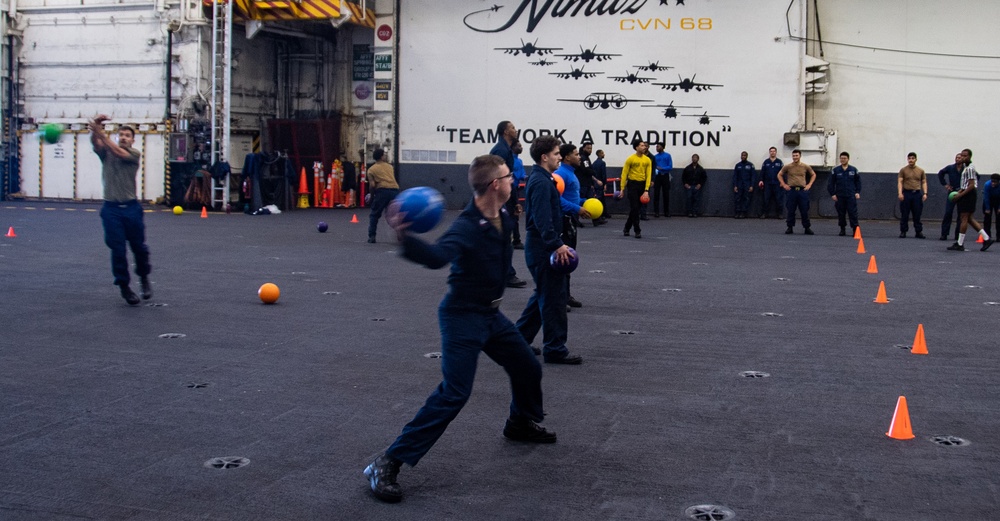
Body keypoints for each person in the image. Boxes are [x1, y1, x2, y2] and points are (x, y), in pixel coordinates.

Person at [363, 154, 554, 504]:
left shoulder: (506, 215)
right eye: (510, 177)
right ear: (495, 184)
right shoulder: (467, 226)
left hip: (491, 315)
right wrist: (405, 237)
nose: (515, 181)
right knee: (455, 392)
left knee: (527, 365)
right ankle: (388, 461)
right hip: (462, 316)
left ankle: (520, 423)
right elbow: (438, 258)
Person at [516, 135, 583, 365]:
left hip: (540, 247)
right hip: (543, 248)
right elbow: (544, 221)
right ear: (545, 157)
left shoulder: (542, 178)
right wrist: (557, 245)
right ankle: (555, 348)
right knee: (554, 299)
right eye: (556, 154)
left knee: (542, 295)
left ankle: (518, 341)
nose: (558, 157)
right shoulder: (542, 182)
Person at [89, 115, 151, 306]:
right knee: (117, 249)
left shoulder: (133, 154)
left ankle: (143, 277)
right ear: (117, 137)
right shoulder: (106, 154)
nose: (124, 137)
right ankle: (124, 286)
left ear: (132, 140)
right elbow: (97, 144)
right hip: (111, 209)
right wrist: (95, 128)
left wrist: (100, 132)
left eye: (127, 135)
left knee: (139, 248)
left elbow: (117, 152)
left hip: (131, 208)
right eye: (121, 135)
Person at [490, 120, 528, 288]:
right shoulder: (500, 150)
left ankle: (501, 272)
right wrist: (505, 202)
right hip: (499, 200)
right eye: (512, 127)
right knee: (505, 237)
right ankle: (507, 274)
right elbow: (497, 178)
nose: (516, 129)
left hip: (504, 199)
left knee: (504, 237)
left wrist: (515, 201)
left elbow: (509, 180)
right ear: (505, 131)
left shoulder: (506, 150)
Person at [554, 143, 592, 308]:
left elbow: (572, 198)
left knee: (568, 260)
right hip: (563, 220)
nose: (579, 157)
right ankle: (559, 298)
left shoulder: (571, 173)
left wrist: (585, 203)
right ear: (567, 157)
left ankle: (566, 295)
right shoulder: (560, 174)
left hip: (571, 220)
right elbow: (557, 199)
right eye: (576, 154)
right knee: (562, 260)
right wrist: (577, 208)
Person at [948, 149, 993, 252]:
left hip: (969, 195)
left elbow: (971, 185)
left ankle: (960, 243)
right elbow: (965, 185)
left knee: (964, 218)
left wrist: (960, 195)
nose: (963, 157)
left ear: (970, 157)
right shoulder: (966, 167)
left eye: (965, 156)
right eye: (962, 155)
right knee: (969, 219)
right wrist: (960, 191)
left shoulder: (970, 169)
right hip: (966, 193)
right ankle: (986, 238)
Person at [777, 149, 817, 234]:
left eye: (796, 155)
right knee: (791, 210)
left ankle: (807, 228)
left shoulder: (805, 166)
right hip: (792, 191)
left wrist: (809, 185)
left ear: (800, 156)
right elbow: (779, 174)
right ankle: (790, 227)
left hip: (802, 191)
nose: (795, 157)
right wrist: (784, 185)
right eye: (793, 156)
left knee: (804, 210)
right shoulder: (788, 166)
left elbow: (813, 174)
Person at [366, 148, 399, 243]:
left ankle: (372, 236)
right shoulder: (390, 167)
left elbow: (372, 185)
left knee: (374, 214)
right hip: (394, 191)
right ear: (381, 156)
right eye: (384, 154)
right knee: (394, 214)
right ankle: (400, 234)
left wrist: (372, 197)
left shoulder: (371, 170)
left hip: (382, 191)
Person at [619, 140, 651, 238]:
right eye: (641, 146)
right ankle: (637, 230)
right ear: (636, 147)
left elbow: (648, 175)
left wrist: (646, 190)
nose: (644, 147)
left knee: (636, 209)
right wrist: (622, 188)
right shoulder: (630, 159)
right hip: (632, 185)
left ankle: (627, 227)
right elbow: (624, 174)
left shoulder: (647, 160)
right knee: (635, 208)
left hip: (642, 185)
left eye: (644, 146)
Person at [827, 151, 861, 236]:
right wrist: (833, 194)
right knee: (841, 213)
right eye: (841, 158)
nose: (843, 160)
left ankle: (855, 230)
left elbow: (858, 182)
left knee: (853, 213)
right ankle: (842, 229)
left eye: (844, 158)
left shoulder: (853, 170)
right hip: (840, 196)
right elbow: (831, 183)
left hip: (850, 195)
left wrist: (857, 192)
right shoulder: (836, 170)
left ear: (848, 159)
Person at [897, 152, 928, 238]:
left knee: (917, 214)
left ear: (916, 159)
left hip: (917, 194)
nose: (911, 160)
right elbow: (900, 182)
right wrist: (900, 193)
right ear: (907, 159)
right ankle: (903, 231)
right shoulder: (903, 170)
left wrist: (925, 193)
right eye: (909, 158)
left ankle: (918, 232)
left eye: (912, 158)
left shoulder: (920, 170)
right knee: (904, 214)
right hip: (906, 193)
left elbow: (924, 182)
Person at [938, 153, 964, 241]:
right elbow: (940, 173)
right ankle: (944, 234)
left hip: (962, 193)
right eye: (956, 158)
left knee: (960, 215)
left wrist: (966, 187)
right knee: (948, 213)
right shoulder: (950, 168)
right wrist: (945, 184)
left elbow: (976, 176)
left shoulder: (966, 169)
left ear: (963, 159)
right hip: (952, 192)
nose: (957, 159)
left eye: (959, 158)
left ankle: (958, 235)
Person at [758, 146, 784, 218]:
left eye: (774, 151)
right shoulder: (766, 162)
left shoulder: (779, 162)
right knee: (766, 199)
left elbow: (783, 173)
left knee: (779, 199)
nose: (772, 152)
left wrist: (782, 182)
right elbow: (762, 172)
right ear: (769, 152)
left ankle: (780, 214)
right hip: (767, 184)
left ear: (776, 152)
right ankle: (764, 214)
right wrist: (761, 180)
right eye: (771, 151)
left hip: (777, 184)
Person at [510, 140, 527, 248]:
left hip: (515, 189)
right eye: (518, 146)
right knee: (512, 214)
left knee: (515, 215)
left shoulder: (519, 161)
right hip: (508, 190)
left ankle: (516, 240)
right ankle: (515, 240)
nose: (521, 147)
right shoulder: (509, 160)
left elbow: (522, 175)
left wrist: (528, 178)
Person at [731, 151, 755, 219]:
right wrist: (735, 185)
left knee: (746, 199)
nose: (743, 157)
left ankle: (743, 213)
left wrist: (752, 185)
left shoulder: (750, 165)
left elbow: (753, 176)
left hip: (747, 184)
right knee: (738, 199)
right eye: (742, 155)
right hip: (739, 185)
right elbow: (735, 176)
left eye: (744, 155)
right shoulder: (738, 165)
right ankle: (737, 212)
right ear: (741, 156)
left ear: (747, 156)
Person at [682, 154, 707, 218]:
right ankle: (689, 212)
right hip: (689, 186)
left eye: (696, 158)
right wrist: (685, 183)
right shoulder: (687, 168)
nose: (694, 159)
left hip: (696, 186)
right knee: (689, 198)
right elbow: (683, 177)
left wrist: (700, 184)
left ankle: (695, 212)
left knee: (696, 199)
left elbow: (704, 177)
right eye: (693, 158)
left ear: (698, 159)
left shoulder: (701, 169)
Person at [652, 142, 673, 217]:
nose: (657, 148)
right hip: (657, 176)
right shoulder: (655, 157)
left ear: (663, 147)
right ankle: (656, 212)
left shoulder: (667, 156)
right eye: (656, 147)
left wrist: (662, 168)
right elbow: (654, 167)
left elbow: (670, 166)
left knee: (666, 194)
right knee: (656, 194)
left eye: (658, 146)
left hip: (665, 176)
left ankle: (666, 212)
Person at [592, 148, 609, 221]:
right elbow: (603, 174)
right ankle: (600, 215)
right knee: (600, 198)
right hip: (601, 182)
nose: (604, 154)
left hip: (595, 182)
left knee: (600, 198)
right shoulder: (602, 163)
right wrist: (605, 183)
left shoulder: (594, 163)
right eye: (602, 153)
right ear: (599, 154)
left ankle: (604, 213)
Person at [983, 173, 1000, 240]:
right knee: (987, 218)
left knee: (999, 219)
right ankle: (987, 236)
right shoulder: (987, 185)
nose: (993, 183)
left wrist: (999, 208)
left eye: (995, 182)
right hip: (989, 200)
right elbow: (986, 197)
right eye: (992, 181)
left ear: (998, 182)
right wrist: (987, 208)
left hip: (998, 200)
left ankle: (999, 236)